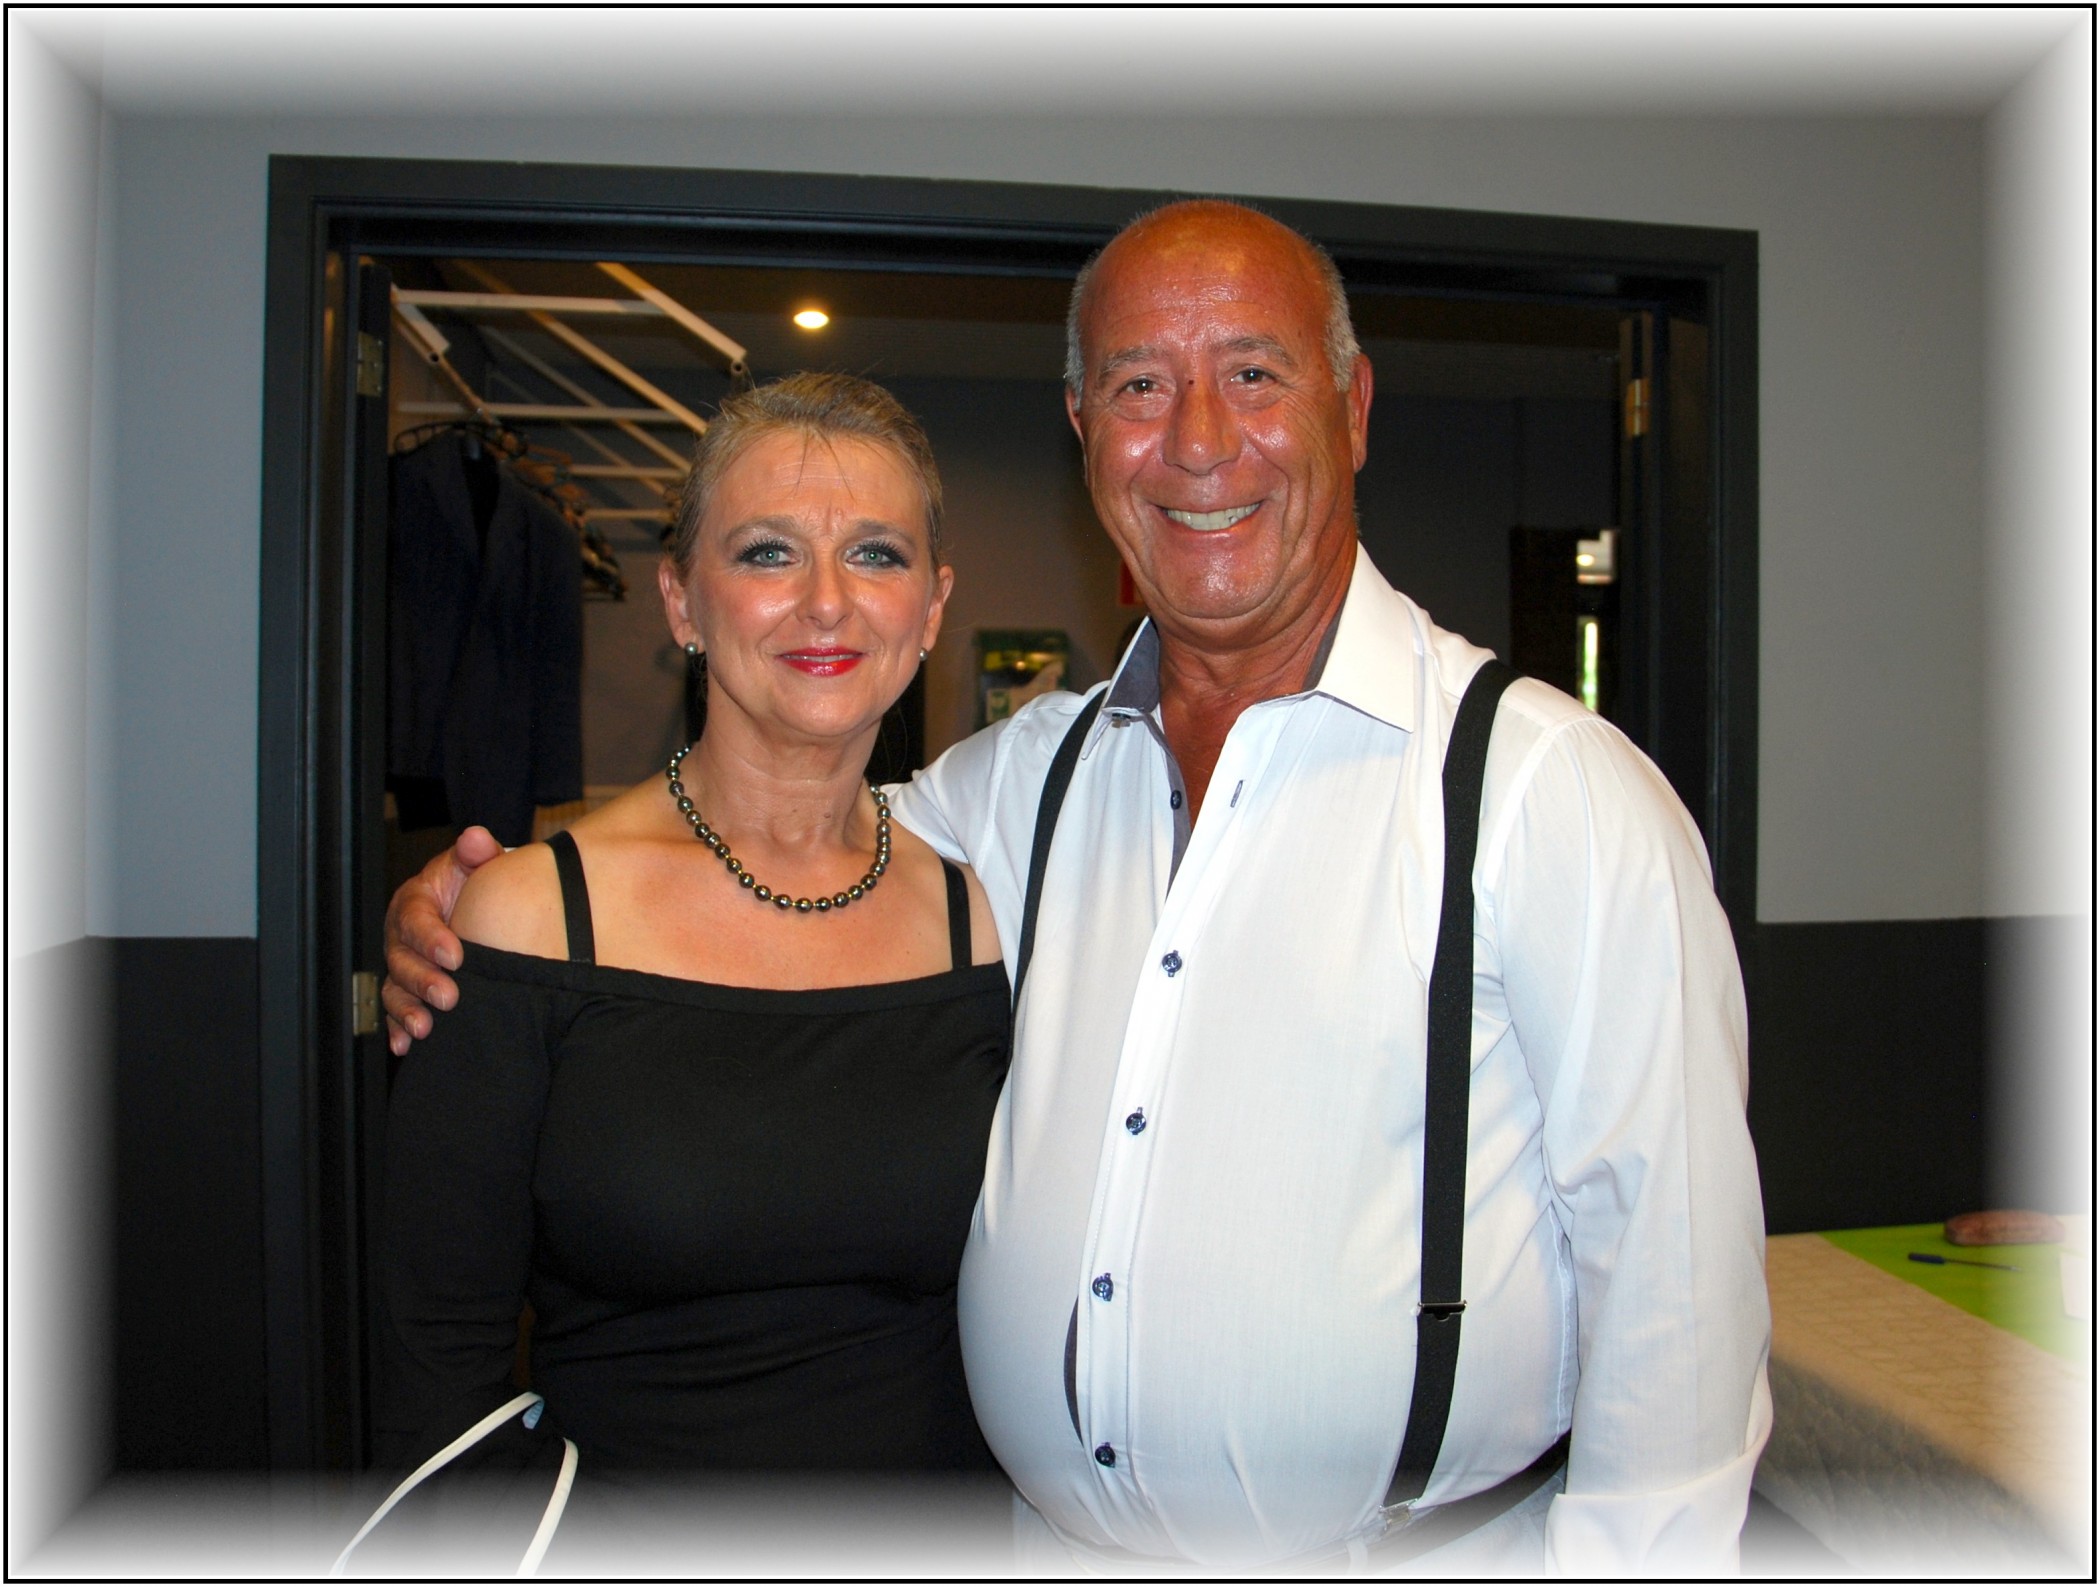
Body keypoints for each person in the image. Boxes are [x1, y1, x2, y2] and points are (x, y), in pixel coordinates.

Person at [386, 202, 1769, 1573]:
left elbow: (1681, 1304)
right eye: (1138, 386)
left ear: (1351, 408)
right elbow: (775, 851)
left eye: (1254, 372)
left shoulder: (1550, 795)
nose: (1200, 440)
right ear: (1084, 430)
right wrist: (473, 912)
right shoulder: (1015, 789)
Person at [372, 373, 1012, 1489]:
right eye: (768, 553)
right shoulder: (533, 915)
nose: (827, 602)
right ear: (681, 602)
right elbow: (433, 1369)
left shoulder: (981, 916)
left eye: (876, 554)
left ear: (932, 606)